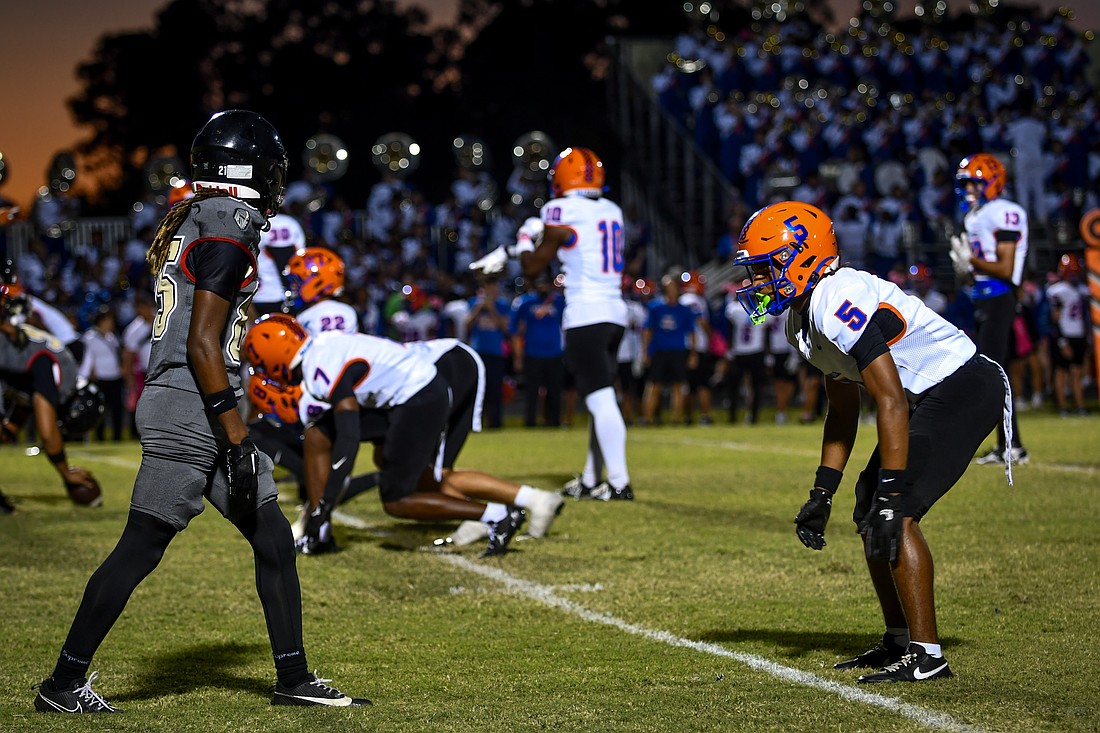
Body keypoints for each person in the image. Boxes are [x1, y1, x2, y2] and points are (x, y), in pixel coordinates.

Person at [33, 110, 369, 713]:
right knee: (140, 546)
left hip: (202, 403)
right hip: (195, 410)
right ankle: (62, 685)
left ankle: (294, 679)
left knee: (272, 539)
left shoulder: (196, 213)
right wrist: (237, 438)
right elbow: (202, 342)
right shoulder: (228, 219)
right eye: (270, 169)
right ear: (251, 171)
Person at [733, 201, 1010, 683]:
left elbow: (890, 401)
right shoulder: (802, 318)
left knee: (894, 508)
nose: (757, 281)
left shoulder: (835, 297)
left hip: (960, 387)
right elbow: (841, 413)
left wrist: (894, 486)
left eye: (765, 267)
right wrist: (821, 494)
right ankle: (899, 640)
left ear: (802, 256)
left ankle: (928, 655)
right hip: (924, 398)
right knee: (869, 505)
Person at [243, 315, 534, 557]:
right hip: (400, 397)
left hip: (420, 398)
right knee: (318, 433)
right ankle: (321, 533)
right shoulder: (320, 346)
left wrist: (325, 504)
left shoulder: (320, 368)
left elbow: (349, 439)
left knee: (397, 499)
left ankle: (496, 514)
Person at [471, 147, 633, 500]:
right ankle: (592, 479)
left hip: (586, 314)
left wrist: (526, 238)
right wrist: (512, 250)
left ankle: (619, 483)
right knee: (597, 397)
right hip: (615, 313)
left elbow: (532, 270)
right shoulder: (610, 209)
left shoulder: (560, 210)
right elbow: (572, 242)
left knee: (600, 397)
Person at [949, 152, 1029, 465]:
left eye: (974, 183)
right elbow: (979, 268)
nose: (969, 189)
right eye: (966, 183)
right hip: (981, 296)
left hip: (1000, 296)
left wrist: (972, 260)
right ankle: (1008, 445)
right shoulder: (974, 216)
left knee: (994, 373)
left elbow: (1007, 267)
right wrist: (965, 270)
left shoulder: (1004, 211)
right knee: (991, 373)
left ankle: (1013, 446)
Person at [1, 281, 104, 506]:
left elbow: (23, 407)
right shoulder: (58, 370)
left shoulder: (50, 365)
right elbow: (47, 434)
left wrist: (8, 432)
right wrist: (65, 471)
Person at [511, 272, 565, 428]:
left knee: (554, 391)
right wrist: (518, 356)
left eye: (545, 283)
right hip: (532, 353)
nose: (543, 286)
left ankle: (554, 422)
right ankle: (530, 423)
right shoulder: (525, 302)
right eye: (540, 283)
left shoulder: (558, 302)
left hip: (554, 353)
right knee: (531, 392)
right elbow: (514, 329)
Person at [641, 275, 696, 426]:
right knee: (654, 385)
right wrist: (645, 351)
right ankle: (647, 418)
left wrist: (693, 353)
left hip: (677, 350)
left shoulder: (684, 310)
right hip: (660, 350)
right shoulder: (655, 307)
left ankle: (676, 419)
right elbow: (648, 331)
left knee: (678, 385)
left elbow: (691, 332)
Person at [1045, 253, 1089, 415]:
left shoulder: (1081, 289)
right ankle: (1063, 407)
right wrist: (1062, 341)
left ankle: (1080, 406)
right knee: (1062, 372)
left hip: (1078, 334)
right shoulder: (1058, 290)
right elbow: (1055, 319)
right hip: (1065, 334)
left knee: (1077, 372)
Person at [78, 307, 124, 442]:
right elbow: (87, 357)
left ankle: (117, 437)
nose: (111, 323)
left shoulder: (112, 337)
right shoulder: (90, 337)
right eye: (108, 320)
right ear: (100, 321)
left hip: (115, 378)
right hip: (101, 379)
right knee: (101, 410)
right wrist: (90, 373)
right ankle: (100, 437)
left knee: (117, 409)